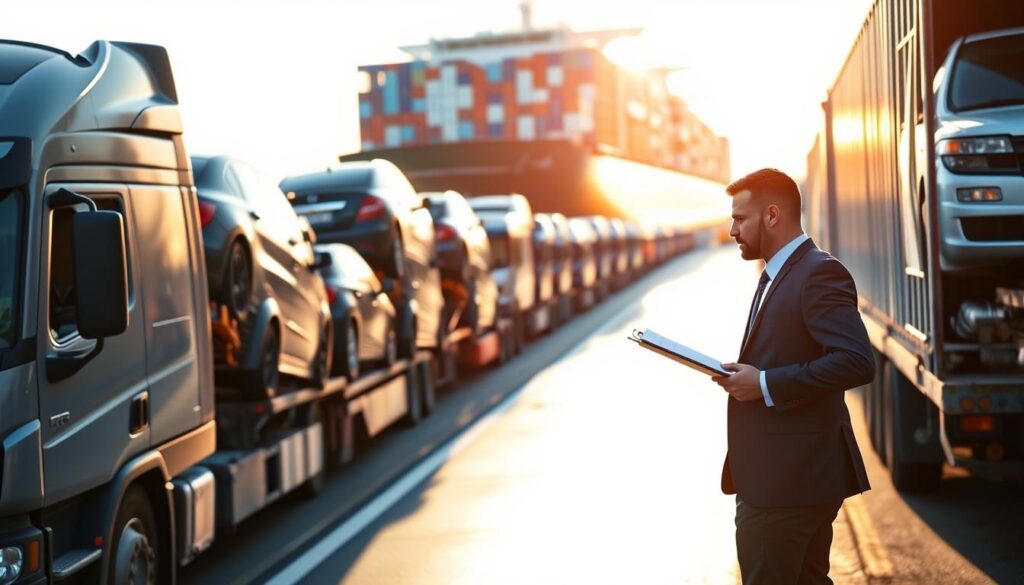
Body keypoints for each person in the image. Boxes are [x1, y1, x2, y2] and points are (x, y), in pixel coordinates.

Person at [712, 168, 875, 585]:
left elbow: (856, 360)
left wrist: (764, 384)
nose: (732, 230)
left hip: (786, 486)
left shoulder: (817, 273)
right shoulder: (779, 273)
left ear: (771, 215)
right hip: (785, 479)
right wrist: (748, 377)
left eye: (739, 218)